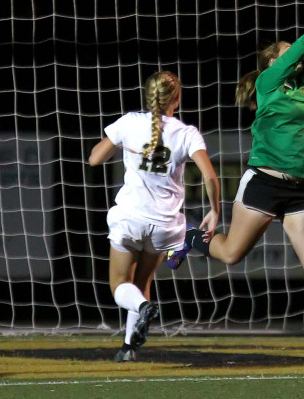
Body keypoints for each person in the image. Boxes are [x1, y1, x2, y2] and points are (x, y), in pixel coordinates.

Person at [184, 0, 304, 356]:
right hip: (263, 181)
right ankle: (192, 238)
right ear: (273, 63)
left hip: (300, 188)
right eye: (286, 53)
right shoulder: (268, 82)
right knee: (232, 255)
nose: (297, 55)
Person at [89, 70, 221, 362]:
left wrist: (123, 144)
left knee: (120, 286)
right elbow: (210, 177)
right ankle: (128, 349)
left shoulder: (130, 122)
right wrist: (214, 211)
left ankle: (143, 313)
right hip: (165, 226)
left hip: (130, 219)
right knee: (143, 283)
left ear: (148, 95)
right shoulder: (187, 133)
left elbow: (95, 158)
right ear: (177, 98)